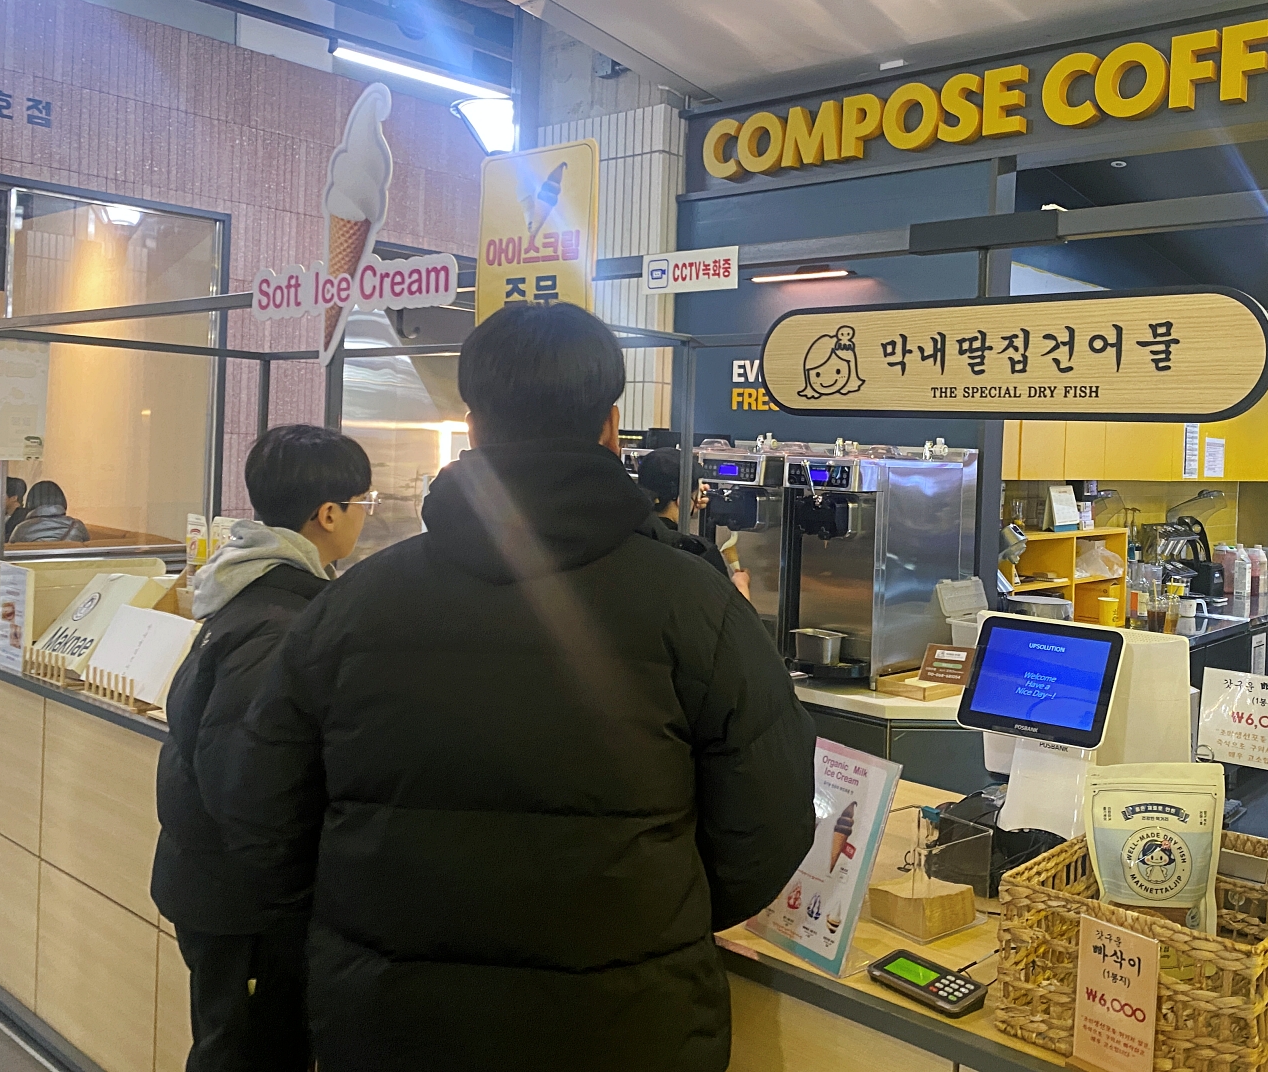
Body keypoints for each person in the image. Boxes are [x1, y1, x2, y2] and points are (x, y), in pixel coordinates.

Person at [211, 304, 816, 1072]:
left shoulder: (350, 607)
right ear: (611, 427)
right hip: (627, 1027)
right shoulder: (699, 607)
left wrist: (359, 927)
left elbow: (261, 814)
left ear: (473, 426)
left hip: (393, 1025)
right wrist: (660, 907)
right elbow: (769, 828)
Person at [152, 424, 373, 1072]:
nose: (366, 515)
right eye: (364, 501)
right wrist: (293, 902)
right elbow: (246, 785)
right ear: (328, 513)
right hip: (243, 904)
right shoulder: (280, 624)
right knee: (247, 1055)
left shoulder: (248, 588)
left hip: (221, 887)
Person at [635, 445, 748, 592]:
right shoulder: (699, 552)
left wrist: (690, 500)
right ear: (681, 499)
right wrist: (741, 584)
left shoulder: (627, 537)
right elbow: (730, 606)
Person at [7, 480, 88, 542]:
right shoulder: (76, 526)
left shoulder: (21, 529)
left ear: (30, 502)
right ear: (62, 500)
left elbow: (11, 553)